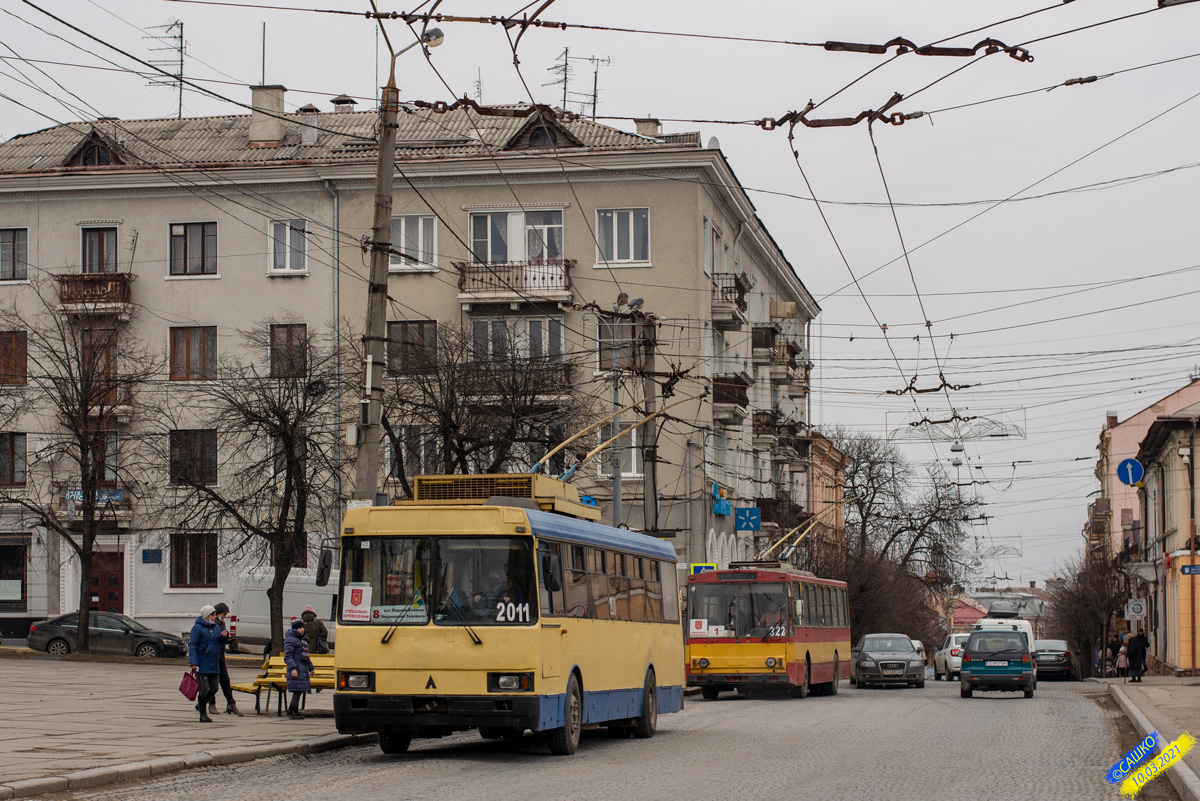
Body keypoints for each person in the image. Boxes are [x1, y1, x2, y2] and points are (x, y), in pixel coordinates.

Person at [187, 605, 226, 723]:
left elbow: (219, 641)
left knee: (214, 688)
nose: (215, 617)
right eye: (213, 615)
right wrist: (193, 662)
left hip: (214, 662)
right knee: (204, 688)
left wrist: (224, 637)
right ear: (206, 616)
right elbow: (192, 645)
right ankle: (203, 714)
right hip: (202, 663)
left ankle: (201, 704)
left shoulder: (215, 627)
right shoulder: (197, 628)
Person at [212, 602, 243, 716]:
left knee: (225, 681)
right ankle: (211, 703)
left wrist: (227, 639)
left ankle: (231, 703)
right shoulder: (212, 624)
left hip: (220, 656)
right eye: (224, 614)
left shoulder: (221, 623)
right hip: (212, 657)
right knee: (213, 683)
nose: (224, 617)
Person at [283, 618, 315, 720]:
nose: (301, 629)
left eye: (302, 627)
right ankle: (291, 710)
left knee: (300, 690)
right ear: (294, 629)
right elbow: (288, 656)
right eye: (299, 628)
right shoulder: (291, 640)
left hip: (302, 669)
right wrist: (293, 668)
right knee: (297, 691)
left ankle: (295, 711)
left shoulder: (302, 640)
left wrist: (311, 667)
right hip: (296, 669)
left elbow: (306, 657)